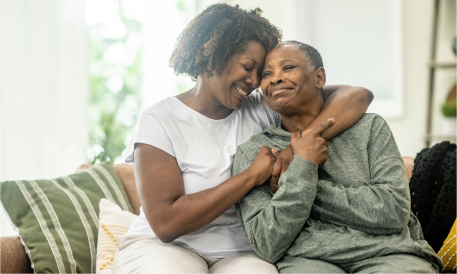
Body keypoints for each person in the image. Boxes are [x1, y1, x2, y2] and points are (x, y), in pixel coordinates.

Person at [113, 4, 373, 273]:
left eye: (259, 73)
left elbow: (357, 95)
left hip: (242, 251)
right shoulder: (159, 119)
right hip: (167, 248)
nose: (253, 81)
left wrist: (297, 148)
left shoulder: (261, 107)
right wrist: (249, 177)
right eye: (247, 67)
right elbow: (166, 224)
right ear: (211, 54)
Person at [233, 41, 443, 273]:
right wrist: (305, 164)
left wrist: (297, 177)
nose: (276, 78)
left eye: (288, 67)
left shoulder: (370, 127)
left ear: (319, 78)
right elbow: (267, 243)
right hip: (307, 260)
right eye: (267, 73)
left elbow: (393, 212)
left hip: (391, 255)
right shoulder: (256, 152)